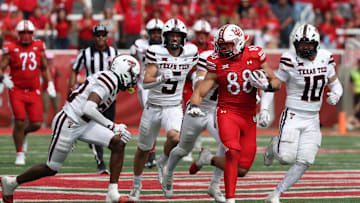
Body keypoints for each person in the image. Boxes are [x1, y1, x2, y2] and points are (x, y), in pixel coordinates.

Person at [1, 54, 140, 203]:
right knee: (51, 168)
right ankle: (12, 183)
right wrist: (113, 126)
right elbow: (88, 108)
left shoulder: (111, 81)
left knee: (118, 143)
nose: (133, 80)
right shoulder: (109, 81)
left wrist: (112, 128)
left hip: (84, 123)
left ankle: (112, 194)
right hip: (70, 122)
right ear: (124, 71)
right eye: (132, 76)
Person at [187, 24, 281, 203]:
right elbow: (201, 90)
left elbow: (276, 81)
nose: (222, 49)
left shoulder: (254, 55)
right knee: (232, 152)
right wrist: (194, 105)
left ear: (238, 43)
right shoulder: (216, 61)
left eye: (226, 45)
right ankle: (230, 199)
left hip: (248, 115)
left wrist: (267, 86)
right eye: (220, 45)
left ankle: (209, 159)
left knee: (243, 168)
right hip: (226, 111)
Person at [260, 24, 343, 203]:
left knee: (305, 160)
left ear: (316, 43)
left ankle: (276, 193)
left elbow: (336, 84)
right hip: (293, 115)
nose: (304, 48)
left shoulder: (326, 58)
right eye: (301, 45)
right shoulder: (289, 59)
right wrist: (264, 108)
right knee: (285, 158)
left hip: (313, 118)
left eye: (308, 45)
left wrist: (336, 94)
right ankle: (274, 145)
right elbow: (274, 85)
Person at [129, 18, 198, 201]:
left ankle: (163, 162)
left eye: (178, 35)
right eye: (171, 35)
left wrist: (199, 81)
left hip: (173, 106)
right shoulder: (155, 52)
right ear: (164, 37)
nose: (174, 38)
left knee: (176, 137)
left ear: (184, 37)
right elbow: (146, 80)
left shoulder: (191, 51)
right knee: (143, 149)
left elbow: (200, 69)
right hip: (153, 106)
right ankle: (136, 184)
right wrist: (160, 79)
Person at [161, 50, 225, 202]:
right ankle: (168, 171)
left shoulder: (239, 61)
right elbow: (199, 83)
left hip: (217, 110)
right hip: (198, 107)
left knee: (227, 143)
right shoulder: (208, 58)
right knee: (183, 149)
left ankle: (215, 185)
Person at [0, 20, 56, 165]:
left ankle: (23, 133)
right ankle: (19, 153)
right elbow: (1, 66)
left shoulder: (38, 46)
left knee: (36, 124)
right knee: (19, 120)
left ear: (33, 34)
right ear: (18, 34)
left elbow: (44, 67)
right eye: (23, 33)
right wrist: (2, 78)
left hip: (34, 90)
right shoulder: (11, 48)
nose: (26, 35)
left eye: (28, 33)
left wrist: (49, 83)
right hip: (16, 89)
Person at [69, 24, 119, 174]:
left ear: (107, 36)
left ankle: (91, 144)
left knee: (107, 127)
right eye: (98, 35)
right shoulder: (85, 53)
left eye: (103, 35)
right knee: (96, 125)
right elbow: (75, 70)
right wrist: (72, 86)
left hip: (109, 96)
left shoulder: (113, 52)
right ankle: (100, 162)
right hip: (92, 95)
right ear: (94, 37)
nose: (101, 38)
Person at [130, 18, 164, 169]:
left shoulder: (167, 46)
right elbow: (131, 61)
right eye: (154, 32)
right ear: (148, 33)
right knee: (151, 118)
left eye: (159, 32)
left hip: (162, 84)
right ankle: (150, 153)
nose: (156, 35)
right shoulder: (139, 45)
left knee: (156, 119)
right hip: (145, 85)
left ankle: (152, 153)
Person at [182, 19, 214, 162]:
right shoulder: (188, 47)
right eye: (199, 33)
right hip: (189, 86)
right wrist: (191, 75)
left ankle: (198, 146)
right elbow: (181, 66)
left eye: (204, 33)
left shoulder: (213, 47)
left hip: (209, 87)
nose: (202, 36)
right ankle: (187, 150)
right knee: (191, 116)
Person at [42, 53, 61, 127]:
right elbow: (43, 77)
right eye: (48, 59)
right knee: (44, 108)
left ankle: (57, 123)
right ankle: (43, 124)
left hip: (55, 90)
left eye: (50, 59)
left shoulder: (54, 67)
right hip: (46, 90)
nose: (49, 61)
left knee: (57, 108)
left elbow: (59, 75)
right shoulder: (44, 68)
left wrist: (55, 70)